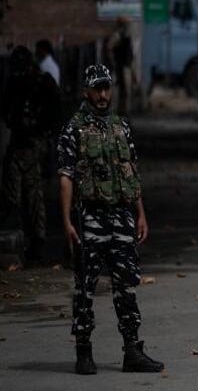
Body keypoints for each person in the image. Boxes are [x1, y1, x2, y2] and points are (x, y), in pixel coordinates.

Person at [57, 64, 163, 374]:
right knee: (85, 288)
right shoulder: (74, 129)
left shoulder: (122, 127)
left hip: (122, 216)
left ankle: (132, 350)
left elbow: (132, 172)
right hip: (90, 217)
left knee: (126, 286)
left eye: (107, 87)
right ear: (86, 90)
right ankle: (84, 351)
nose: (103, 94)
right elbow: (66, 179)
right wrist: (66, 222)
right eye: (97, 88)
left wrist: (140, 214)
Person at [0, 46, 62, 261]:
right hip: (20, 142)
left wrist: (38, 127)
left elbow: (55, 114)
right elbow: (7, 110)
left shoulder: (42, 82)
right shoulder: (16, 83)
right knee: (15, 195)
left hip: (35, 143)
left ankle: (37, 240)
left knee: (33, 193)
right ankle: (25, 237)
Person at [107, 17, 135, 116]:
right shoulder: (117, 37)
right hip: (119, 67)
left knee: (126, 93)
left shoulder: (127, 38)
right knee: (117, 93)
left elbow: (130, 55)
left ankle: (125, 114)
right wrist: (114, 63)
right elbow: (110, 50)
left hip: (125, 67)